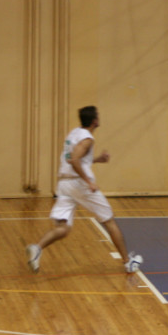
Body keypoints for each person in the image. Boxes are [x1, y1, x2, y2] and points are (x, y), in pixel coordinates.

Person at [25, 106, 142, 274]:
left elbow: (76, 158)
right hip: (79, 184)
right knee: (108, 220)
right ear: (95, 121)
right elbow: (74, 159)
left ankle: (37, 248)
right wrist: (88, 182)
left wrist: (97, 159)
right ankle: (127, 262)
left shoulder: (74, 133)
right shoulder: (87, 139)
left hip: (64, 184)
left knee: (63, 228)